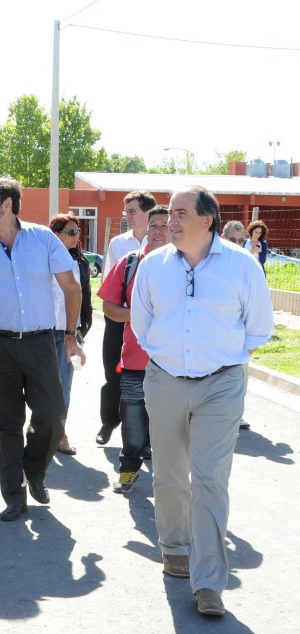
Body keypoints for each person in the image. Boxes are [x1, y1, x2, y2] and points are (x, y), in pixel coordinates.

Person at [132, 186, 273, 617]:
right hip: (165, 380)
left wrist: (223, 360)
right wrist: (173, 356)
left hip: (221, 385)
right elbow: (142, 325)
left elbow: (259, 328)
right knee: (171, 473)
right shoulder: (153, 265)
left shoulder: (242, 266)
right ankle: (174, 548)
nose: (169, 221)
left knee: (210, 479)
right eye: (168, 213)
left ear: (208, 219)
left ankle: (209, 581)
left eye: (180, 213)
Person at [0, 178, 86, 522]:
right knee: (6, 423)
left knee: (53, 415)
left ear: (7, 204)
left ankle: (34, 468)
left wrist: (70, 334)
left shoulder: (43, 239)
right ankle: (14, 495)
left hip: (42, 342)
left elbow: (72, 289)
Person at [97, 206, 170, 494]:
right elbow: (109, 307)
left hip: (175, 364)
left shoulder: (186, 265)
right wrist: (140, 314)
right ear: (146, 228)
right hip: (135, 361)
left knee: (172, 426)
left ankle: (170, 481)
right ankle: (128, 470)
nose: (159, 230)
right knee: (133, 420)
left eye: (166, 225)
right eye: (154, 224)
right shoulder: (128, 263)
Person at [97, 191, 156, 446]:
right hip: (120, 319)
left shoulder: (165, 241)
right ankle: (109, 422)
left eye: (132, 211)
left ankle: (145, 436)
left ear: (148, 213)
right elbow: (108, 283)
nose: (127, 216)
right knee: (113, 373)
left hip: (153, 324)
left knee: (148, 376)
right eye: (126, 211)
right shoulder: (118, 244)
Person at [48, 214, 93, 455]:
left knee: (63, 386)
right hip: (44, 332)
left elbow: (83, 296)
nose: (77, 237)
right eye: (71, 232)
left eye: (78, 232)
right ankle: (41, 428)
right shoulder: (42, 259)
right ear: (56, 234)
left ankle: (60, 434)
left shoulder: (80, 262)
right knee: (42, 386)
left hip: (69, 333)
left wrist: (79, 330)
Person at [222, 220, 251, 430]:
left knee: (240, 377)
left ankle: (236, 414)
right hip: (215, 333)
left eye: (241, 240)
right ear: (223, 238)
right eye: (233, 239)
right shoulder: (211, 259)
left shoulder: (248, 263)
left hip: (239, 333)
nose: (237, 244)